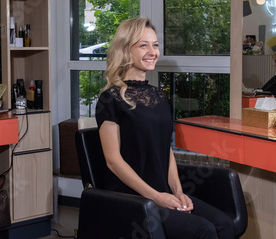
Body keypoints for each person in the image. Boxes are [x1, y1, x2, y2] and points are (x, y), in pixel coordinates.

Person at [95, 17, 234, 239]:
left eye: (155, 45)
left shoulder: (157, 95)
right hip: (132, 197)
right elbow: (113, 161)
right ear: (125, 50)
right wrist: (157, 197)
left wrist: (178, 191)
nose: (152, 51)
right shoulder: (109, 99)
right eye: (143, 45)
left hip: (163, 190)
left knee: (225, 225)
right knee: (204, 231)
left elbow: (164, 148)